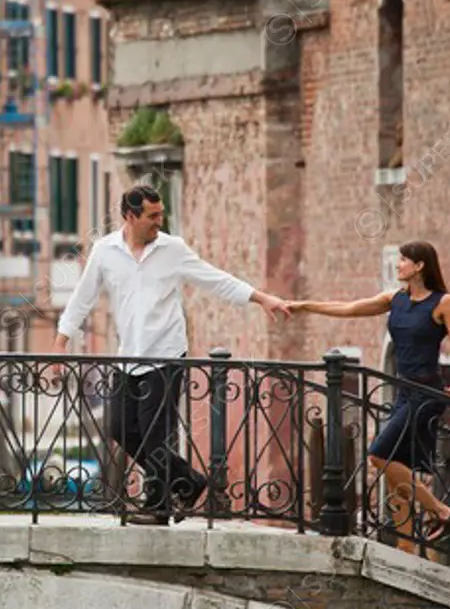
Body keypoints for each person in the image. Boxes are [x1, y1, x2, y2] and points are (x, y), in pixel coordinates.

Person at [52, 184, 292, 525]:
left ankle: (159, 506)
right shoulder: (105, 251)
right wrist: (61, 344)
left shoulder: (172, 249)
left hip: (166, 356)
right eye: (152, 216)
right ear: (130, 216)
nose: (159, 221)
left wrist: (261, 298)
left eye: (160, 214)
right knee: (121, 428)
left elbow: (215, 280)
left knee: (154, 437)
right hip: (128, 357)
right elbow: (82, 298)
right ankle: (189, 482)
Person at [288, 240, 450, 553]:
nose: (398, 265)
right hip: (402, 391)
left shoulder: (443, 303)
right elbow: (348, 309)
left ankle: (440, 510)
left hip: (427, 394)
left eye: (403, 260)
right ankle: (406, 549)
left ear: (419, 265)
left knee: (378, 455)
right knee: (397, 468)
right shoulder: (394, 300)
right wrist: (305, 306)